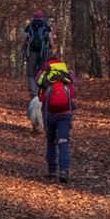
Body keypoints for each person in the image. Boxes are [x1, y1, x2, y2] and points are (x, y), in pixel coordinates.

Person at [35, 50, 75, 184]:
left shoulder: (44, 72)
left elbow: (37, 82)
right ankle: (64, 171)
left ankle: (51, 169)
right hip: (65, 113)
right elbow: (73, 83)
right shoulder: (66, 71)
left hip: (49, 112)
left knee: (51, 141)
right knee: (63, 141)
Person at [22, 10, 53, 87]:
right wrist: (50, 48)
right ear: (42, 17)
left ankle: (33, 90)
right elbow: (51, 41)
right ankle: (41, 90)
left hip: (32, 51)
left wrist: (24, 48)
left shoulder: (29, 27)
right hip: (43, 52)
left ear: (34, 17)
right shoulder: (46, 27)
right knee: (42, 71)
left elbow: (24, 40)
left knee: (31, 73)